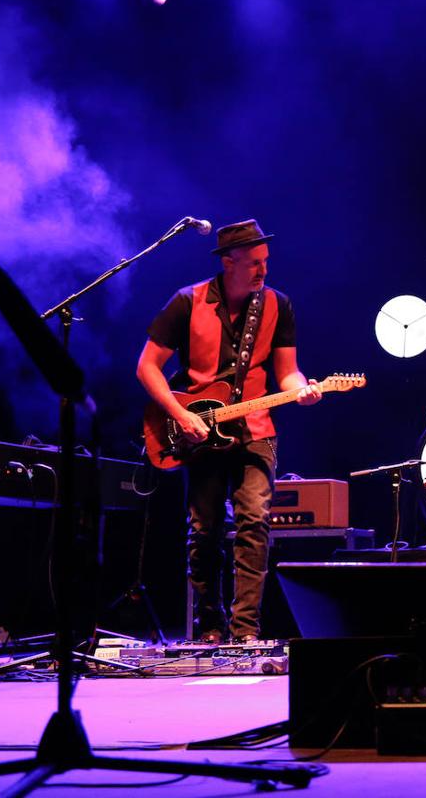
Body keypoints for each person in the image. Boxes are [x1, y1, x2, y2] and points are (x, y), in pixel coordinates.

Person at [136, 219, 322, 643]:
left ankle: (245, 632)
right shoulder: (187, 301)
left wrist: (304, 391)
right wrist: (180, 415)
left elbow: (288, 374)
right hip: (198, 429)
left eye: (265, 262)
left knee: (254, 521)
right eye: (254, 263)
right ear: (228, 262)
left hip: (256, 429)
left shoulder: (279, 305)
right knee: (204, 532)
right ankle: (210, 626)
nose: (262, 271)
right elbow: (147, 367)